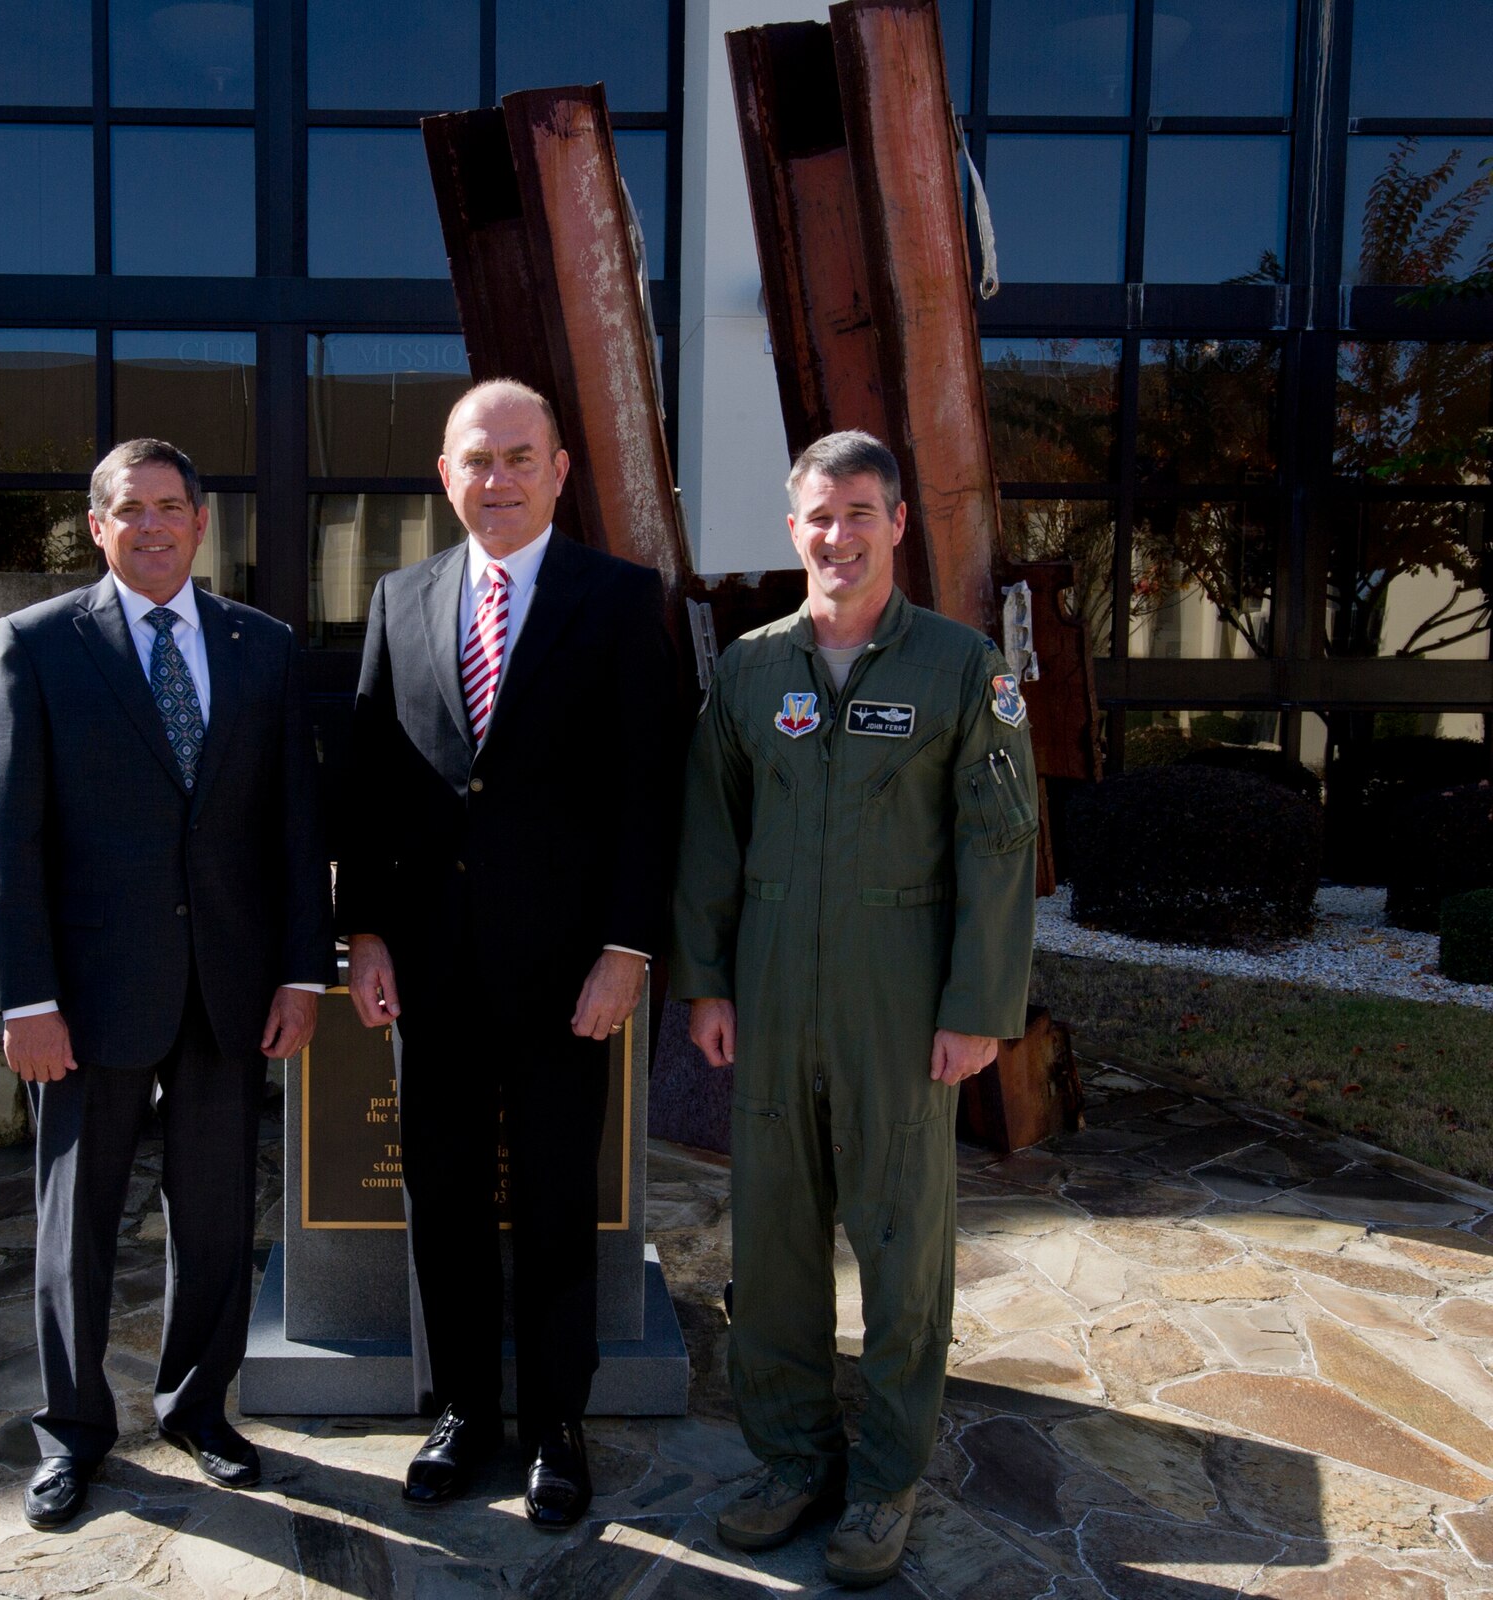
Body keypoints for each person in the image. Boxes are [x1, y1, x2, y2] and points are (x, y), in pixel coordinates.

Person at [670, 430, 1036, 1589]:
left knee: (899, 1245)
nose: (838, 536)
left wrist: (976, 1005)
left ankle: (883, 1479)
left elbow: (998, 844)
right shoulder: (748, 667)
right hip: (773, 991)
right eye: (818, 517)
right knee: (772, 1245)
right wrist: (707, 980)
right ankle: (789, 1460)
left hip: (897, 993)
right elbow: (708, 836)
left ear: (896, 524)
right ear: (793, 530)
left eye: (860, 513)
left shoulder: (959, 667)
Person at [0, 437, 334, 1531]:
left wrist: (298, 974)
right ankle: (72, 1431)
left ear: (201, 521)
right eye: (131, 509)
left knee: (216, 1215)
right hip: (84, 1001)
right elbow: (6, 836)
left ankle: (197, 1408)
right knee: (73, 1223)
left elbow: (292, 825)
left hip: (227, 991)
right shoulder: (35, 646)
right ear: (97, 526)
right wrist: (23, 998)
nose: (155, 525)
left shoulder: (261, 647)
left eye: (174, 506)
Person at [337, 378, 680, 1528]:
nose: (496, 479)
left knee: (549, 1199)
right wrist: (367, 930)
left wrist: (628, 948)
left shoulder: (624, 602)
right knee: (439, 1195)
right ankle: (462, 1412)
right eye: (475, 459)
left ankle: (554, 1424)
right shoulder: (399, 597)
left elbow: (649, 792)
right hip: (430, 971)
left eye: (518, 457)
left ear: (559, 469)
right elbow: (373, 784)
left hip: (562, 975)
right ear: (445, 473)